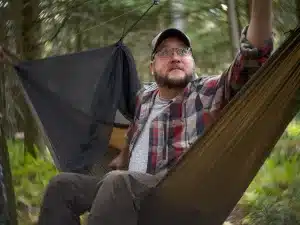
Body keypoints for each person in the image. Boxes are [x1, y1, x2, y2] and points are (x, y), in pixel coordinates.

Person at [0, 1, 274, 224]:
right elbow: (104, 113)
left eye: (182, 51)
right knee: (62, 186)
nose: (176, 56)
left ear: (193, 61)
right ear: (152, 66)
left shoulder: (207, 92)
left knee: (118, 182)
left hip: (176, 193)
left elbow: (252, 56)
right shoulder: (144, 98)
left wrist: (261, 5)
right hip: (128, 190)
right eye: (165, 52)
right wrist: (18, 64)